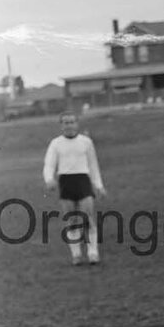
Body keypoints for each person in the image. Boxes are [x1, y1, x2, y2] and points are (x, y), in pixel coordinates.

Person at [42, 111, 106, 266]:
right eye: (65, 122)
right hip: (66, 182)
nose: (69, 125)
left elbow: (93, 165)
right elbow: (49, 164)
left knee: (88, 218)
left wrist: (99, 185)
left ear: (77, 124)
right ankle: (76, 254)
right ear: (61, 125)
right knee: (71, 221)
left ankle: (93, 253)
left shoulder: (86, 142)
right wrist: (49, 179)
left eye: (71, 122)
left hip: (83, 181)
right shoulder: (56, 143)